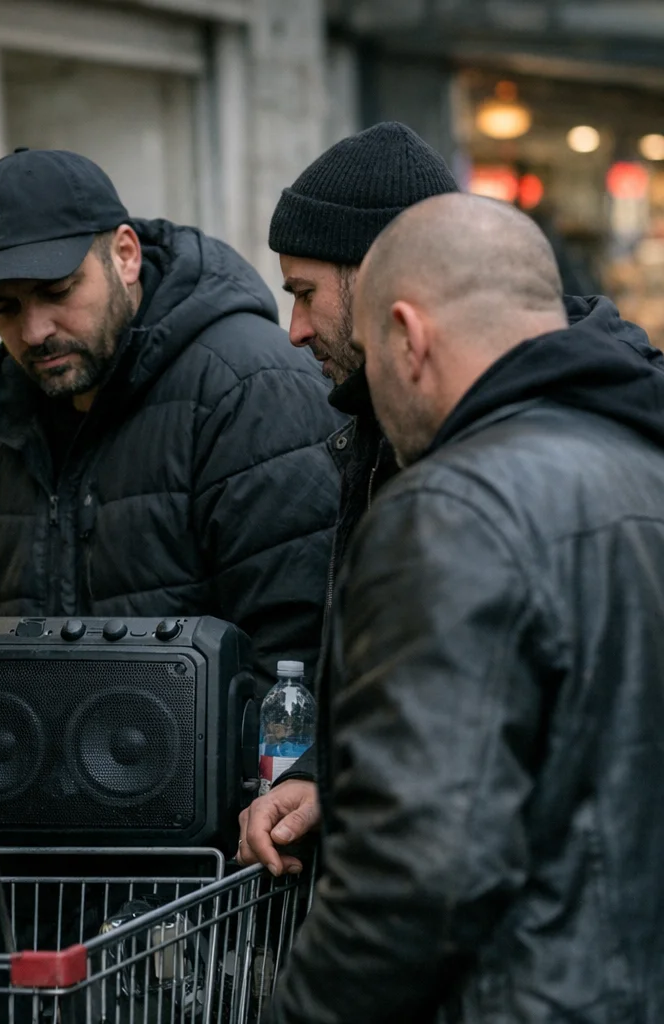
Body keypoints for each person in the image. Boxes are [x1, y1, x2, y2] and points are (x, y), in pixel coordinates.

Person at [272, 193, 664, 1022]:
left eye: (373, 354)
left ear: (410, 338)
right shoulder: (641, 463)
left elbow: (412, 878)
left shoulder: (449, 513)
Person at [0, 148, 344, 692]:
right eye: (5, 307)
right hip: (43, 771)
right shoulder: (4, 410)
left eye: (57, 291)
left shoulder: (250, 388)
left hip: (217, 775)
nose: (35, 329)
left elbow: (298, 654)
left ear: (125, 254)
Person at [237, 122, 459, 873]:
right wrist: (322, 777)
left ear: (382, 283)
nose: (293, 331)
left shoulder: (496, 461)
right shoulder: (375, 430)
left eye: (304, 294)